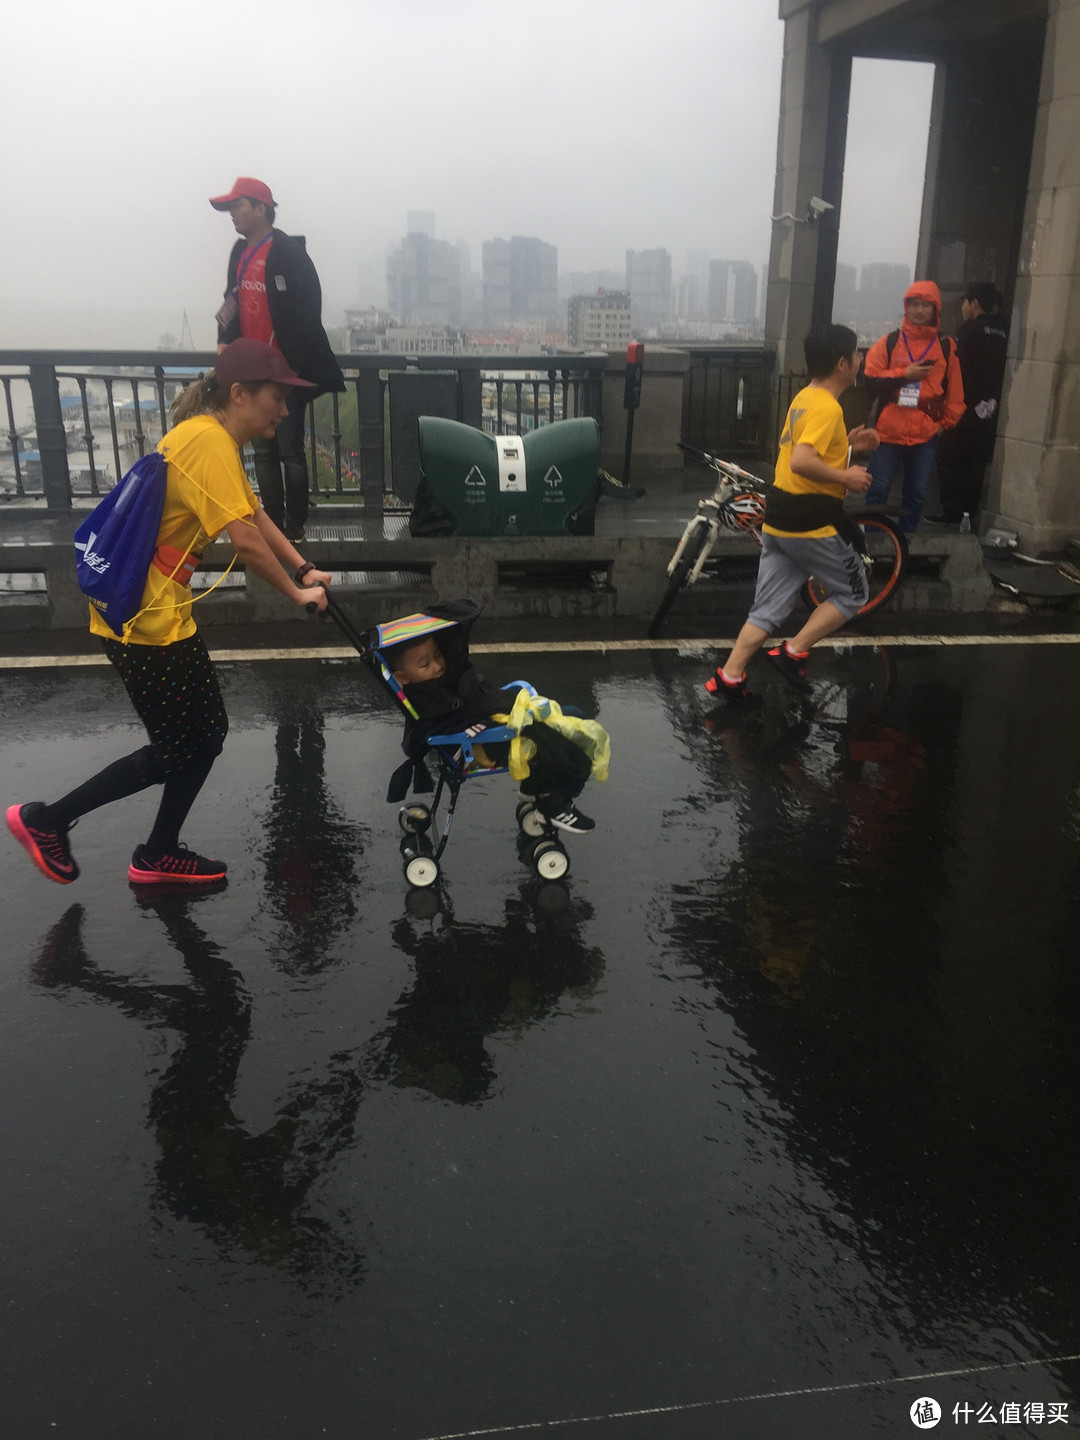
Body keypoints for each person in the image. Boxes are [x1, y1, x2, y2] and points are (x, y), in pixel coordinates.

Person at [6, 338, 332, 888]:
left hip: (159, 612)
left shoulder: (213, 439)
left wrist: (303, 569)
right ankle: (48, 821)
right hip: (143, 620)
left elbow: (251, 510)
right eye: (277, 396)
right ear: (239, 393)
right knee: (184, 744)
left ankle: (157, 850)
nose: (283, 408)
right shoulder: (208, 441)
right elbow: (246, 541)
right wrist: (296, 596)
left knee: (203, 735)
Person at [704, 324, 878, 703]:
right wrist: (846, 474)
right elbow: (802, 462)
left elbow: (807, 452)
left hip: (780, 519)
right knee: (853, 593)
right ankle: (794, 652)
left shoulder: (805, 397)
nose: (861, 360)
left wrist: (847, 446)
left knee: (766, 609)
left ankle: (729, 676)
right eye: (857, 354)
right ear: (842, 363)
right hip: (811, 521)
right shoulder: (828, 406)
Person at [383, 600, 606, 835]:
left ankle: (532, 789)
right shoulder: (434, 700)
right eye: (425, 664)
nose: (438, 665)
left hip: (480, 732)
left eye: (438, 655)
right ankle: (555, 805)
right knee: (577, 731)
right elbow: (470, 716)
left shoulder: (428, 690)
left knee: (571, 716)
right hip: (485, 745)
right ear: (402, 676)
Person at [210, 177, 345, 543]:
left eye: (238, 207)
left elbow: (308, 310)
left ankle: (295, 525)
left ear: (260, 208)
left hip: (285, 372)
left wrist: (294, 367)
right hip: (250, 370)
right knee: (263, 449)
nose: (233, 215)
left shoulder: (287, 252)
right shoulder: (239, 253)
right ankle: (272, 522)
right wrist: (225, 342)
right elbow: (231, 301)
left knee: (290, 451)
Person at [861, 279, 965, 533]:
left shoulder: (946, 346)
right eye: (914, 304)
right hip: (887, 432)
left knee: (916, 496)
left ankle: (904, 548)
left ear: (935, 310)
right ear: (906, 307)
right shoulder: (889, 341)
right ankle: (872, 547)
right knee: (877, 492)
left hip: (925, 433)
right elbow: (870, 379)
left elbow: (956, 392)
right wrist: (905, 373)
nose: (919, 310)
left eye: (926, 305)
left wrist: (944, 425)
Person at [928, 282, 1009, 526]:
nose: (963, 307)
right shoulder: (1005, 331)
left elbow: (954, 370)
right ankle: (969, 515)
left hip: (963, 409)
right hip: (991, 410)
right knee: (976, 465)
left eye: (965, 302)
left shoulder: (969, 332)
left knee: (950, 460)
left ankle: (952, 513)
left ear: (974, 303)